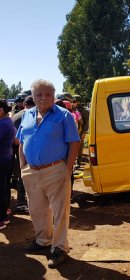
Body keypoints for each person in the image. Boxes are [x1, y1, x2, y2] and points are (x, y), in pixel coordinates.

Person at [16, 79, 80, 268]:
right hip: (31, 171)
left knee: (60, 211)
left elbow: (74, 143)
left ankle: (59, 247)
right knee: (36, 209)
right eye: (39, 94)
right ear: (33, 96)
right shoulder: (27, 115)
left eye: (48, 94)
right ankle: (43, 240)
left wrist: (67, 169)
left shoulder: (64, 116)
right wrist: (22, 166)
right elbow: (21, 141)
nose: (43, 98)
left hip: (55, 169)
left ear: (53, 95)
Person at [11, 95, 35, 212]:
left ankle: (21, 201)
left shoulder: (16, 115)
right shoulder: (29, 115)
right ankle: (22, 202)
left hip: (15, 150)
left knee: (21, 174)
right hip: (25, 150)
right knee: (26, 176)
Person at [0, 99, 16, 229]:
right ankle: (4, 215)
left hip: (2, 160)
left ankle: (1, 218)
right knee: (4, 188)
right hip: (6, 158)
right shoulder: (7, 122)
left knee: (1, 190)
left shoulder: (3, 124)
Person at [72, 95, 89, 166]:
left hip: (81, 131)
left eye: (74, 101)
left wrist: (84, 133)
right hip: (75, 131)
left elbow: (86, 123)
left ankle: (78, 161)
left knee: (80, 146)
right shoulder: (73, 110)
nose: (73, 103)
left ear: (78, 102)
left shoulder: (84, 111)